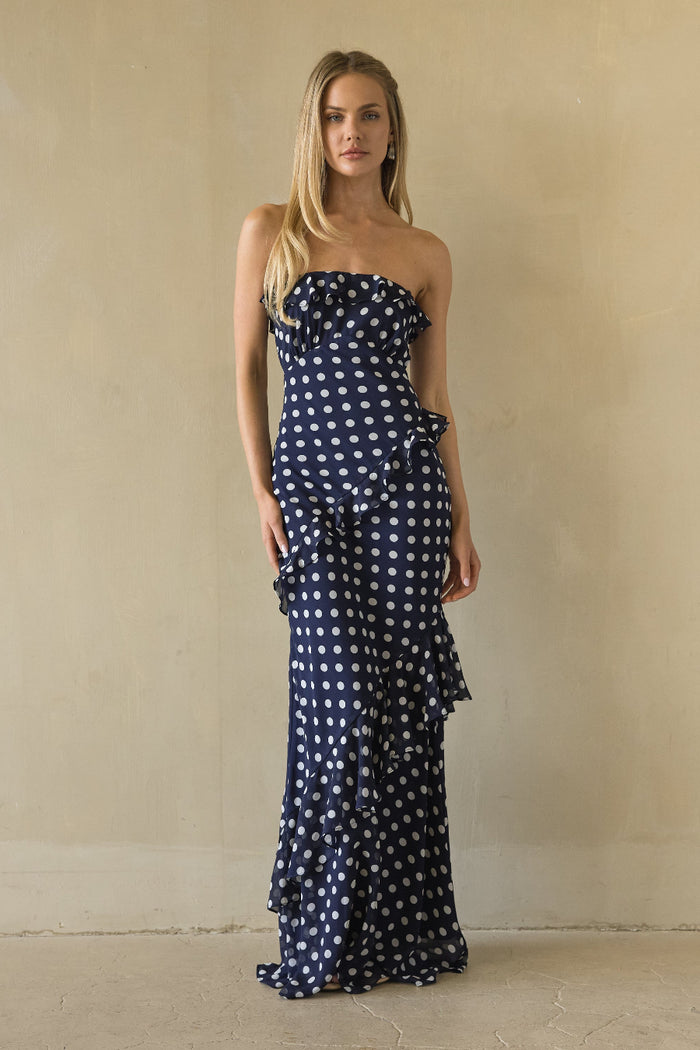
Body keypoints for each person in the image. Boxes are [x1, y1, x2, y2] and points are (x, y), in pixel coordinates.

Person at [233, 48, 481, 999]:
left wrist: (462, 515)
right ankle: (330, 935)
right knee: (334, 714)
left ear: (391, 130)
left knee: (397, 718)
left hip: (408, 495)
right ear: (315, 127)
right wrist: (262, 492)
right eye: (336, 116)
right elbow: (248, 373)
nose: (352, 132)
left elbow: (437, 394)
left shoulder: (426, 256)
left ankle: (408, 931)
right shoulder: (271, 231)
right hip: (311, 493)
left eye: (369, 116)